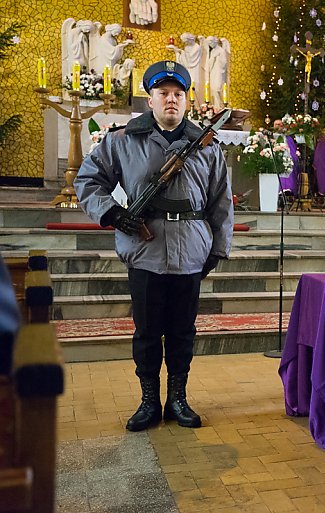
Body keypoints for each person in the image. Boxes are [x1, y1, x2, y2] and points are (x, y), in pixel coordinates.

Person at [74, 61, 234, 431]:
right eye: (164, 93)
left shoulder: (206, 147)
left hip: (191, 252)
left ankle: (178, 399)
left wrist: (218, 249)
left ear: (186, 100)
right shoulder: (122, 140)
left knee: (182, 332)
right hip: (145, 253)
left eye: (178, 94)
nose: (172, 100)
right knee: (147, 333)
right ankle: (149, 402)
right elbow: (88, 181)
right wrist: (113, 213)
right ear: (151, 99)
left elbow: (221, 203)